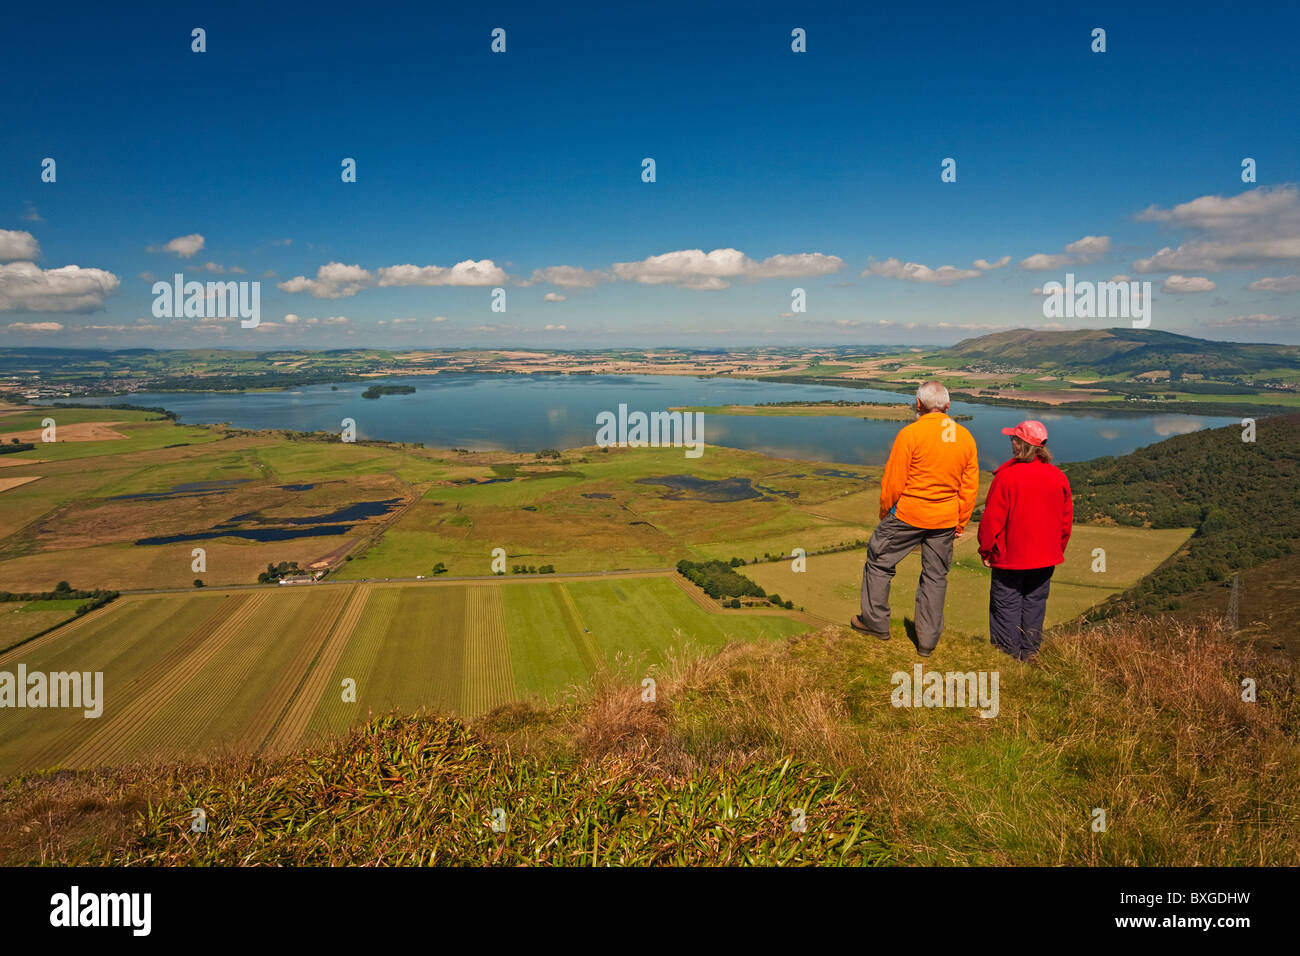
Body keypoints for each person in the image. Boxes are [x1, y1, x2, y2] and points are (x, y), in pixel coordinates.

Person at [851, 381, 978, 656]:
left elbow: (893, 481)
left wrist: (886, 513)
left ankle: (875, 623)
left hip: (908, 514)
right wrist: (960, 522)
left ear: (918, 404)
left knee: (879, 561)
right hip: (944, 519)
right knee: (935, 576)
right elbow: (969, 487)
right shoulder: (965, 437)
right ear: (947, 406)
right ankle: (927, 642)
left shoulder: (910, 433)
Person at [977, 420, 1073, 661]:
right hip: (1045, 559)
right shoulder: (1058, 477)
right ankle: (1029, 654)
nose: (1010, 441)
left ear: (1021, 444)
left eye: (1013, 438)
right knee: (1034, 606)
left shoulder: (1007, 478)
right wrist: (1055, 550)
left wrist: (986, 551)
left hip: (1010, 559)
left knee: (1006, 607)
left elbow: (991, 521)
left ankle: (1006, 659)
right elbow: (1065, 523)